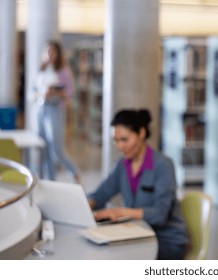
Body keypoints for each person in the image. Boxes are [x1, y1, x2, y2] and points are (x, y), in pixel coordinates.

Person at [87, 109, 189, 260]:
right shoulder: (122, 165)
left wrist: (121, 212)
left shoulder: (163, 165)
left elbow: (160, 214)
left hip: (167, 241)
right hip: (138, 234)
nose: (120, 146)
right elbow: (101, 194)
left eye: (124, 139)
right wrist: (87, 204)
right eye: (116, 140)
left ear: (141, 133)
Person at [33, 40, 81, 182]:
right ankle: (50, 180)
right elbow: (32, 92)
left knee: (56, 149)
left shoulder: (63, 71)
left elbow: (70, 93)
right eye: (47, 51)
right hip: (41, 109)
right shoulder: (41, 70)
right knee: (44, 147)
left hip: (56, 110)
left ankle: (74, 172)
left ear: (57, 53)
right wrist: (42, 94)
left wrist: (55, 93)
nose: (49, 54)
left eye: (52, 51)